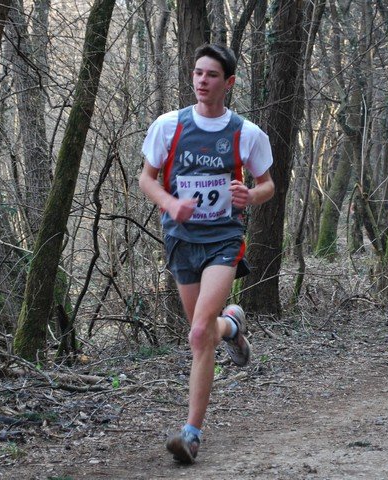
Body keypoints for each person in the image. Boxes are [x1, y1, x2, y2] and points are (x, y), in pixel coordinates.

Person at [139, 43, 275, 464]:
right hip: (182, 239)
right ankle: (232, 326)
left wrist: (250, 195)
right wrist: (169, 203)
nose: (202, 80)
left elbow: (268, 185)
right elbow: (146, 179)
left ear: (228, 82)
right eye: (198, 73)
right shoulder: (169, 126)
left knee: (198, 335)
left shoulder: (246, 133)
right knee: (206, 330)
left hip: (223, 239)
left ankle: (191, 435)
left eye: (212, 75)